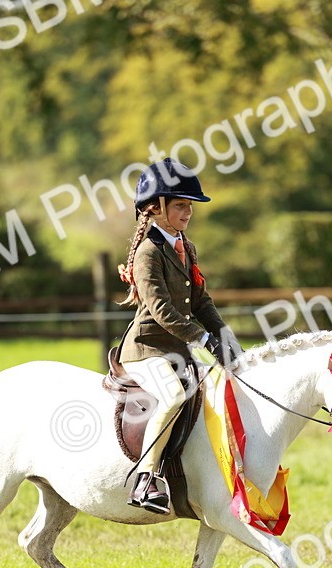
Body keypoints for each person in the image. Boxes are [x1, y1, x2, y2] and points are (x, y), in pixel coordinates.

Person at [117, 158, 242, 514]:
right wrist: (203, 341)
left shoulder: (185, 246)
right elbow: (161, 311)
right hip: (147, 350)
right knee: (174, 396)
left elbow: (201, 301)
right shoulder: (147, 253)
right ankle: (145, 478)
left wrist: (228, 342)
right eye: (181, 205)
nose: (188, 212)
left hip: (178, 350)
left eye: (190, 206)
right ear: (156, 209)